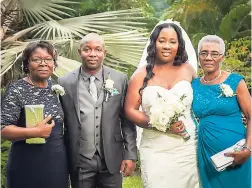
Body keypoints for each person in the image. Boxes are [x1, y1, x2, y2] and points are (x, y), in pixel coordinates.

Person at [124, 20, 200, 188]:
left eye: (172, 42)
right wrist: (157, 123)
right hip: (155, 149)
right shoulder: (141, 74)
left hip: (186, 148)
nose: (167, 46)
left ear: (179, 45)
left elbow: (202, 101)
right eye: (162, 41)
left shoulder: (188, 70)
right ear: (154, 43)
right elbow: (130, 110)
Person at [58, 33, 137, 188]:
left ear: (104, 53)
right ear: (79, 52)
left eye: (98, 50)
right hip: (80, 160)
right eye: (87, 49)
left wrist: (130, 154)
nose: (93, 54)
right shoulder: (65, 82)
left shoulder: (119, 79)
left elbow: (127, 121)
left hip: (111, 158)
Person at [1, 41, 69, 188]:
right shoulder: (17, 90)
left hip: (56, 163)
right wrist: (35, 132)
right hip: (26, 163)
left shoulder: (55, 87)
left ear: (54, 63)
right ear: (27, 64)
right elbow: (4, 129)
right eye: (36, 59)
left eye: (48, 59)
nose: (43, 63)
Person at [192, 35, 251, 188]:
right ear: (198, 57)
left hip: (236, 153)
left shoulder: (235, 81)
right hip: (206, 153)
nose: (208, 57)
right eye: (203, 53)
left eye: (214, 53)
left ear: (222, 57)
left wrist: (248, 149)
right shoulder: (194, 85)